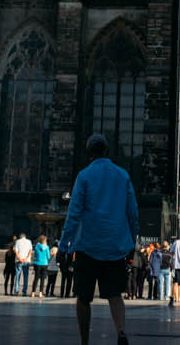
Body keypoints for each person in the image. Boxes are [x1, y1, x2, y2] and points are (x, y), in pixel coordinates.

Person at [61, 133, 139, 345]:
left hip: (88, 246)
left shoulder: (84, 176)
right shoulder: (122, 175)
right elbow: (133, 213)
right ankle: (121, 332)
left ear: (89, 152)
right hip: (115, 246)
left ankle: (84, 340)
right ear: (106, 151)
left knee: (83, 297)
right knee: (115, 295)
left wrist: (63, 245)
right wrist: (132, 242)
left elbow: (74, 213)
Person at [15, 231, 33, 295]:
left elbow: (16, 251)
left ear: (20, 237)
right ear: (25, 236)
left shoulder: (17, 241)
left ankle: (16, 291)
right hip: (26, 261)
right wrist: (26, 258)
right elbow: (30, 250)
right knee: (26, 276)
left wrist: (19, 258)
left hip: (19, 261)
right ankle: (24, 291)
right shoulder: (29, 241)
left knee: (17, 276)